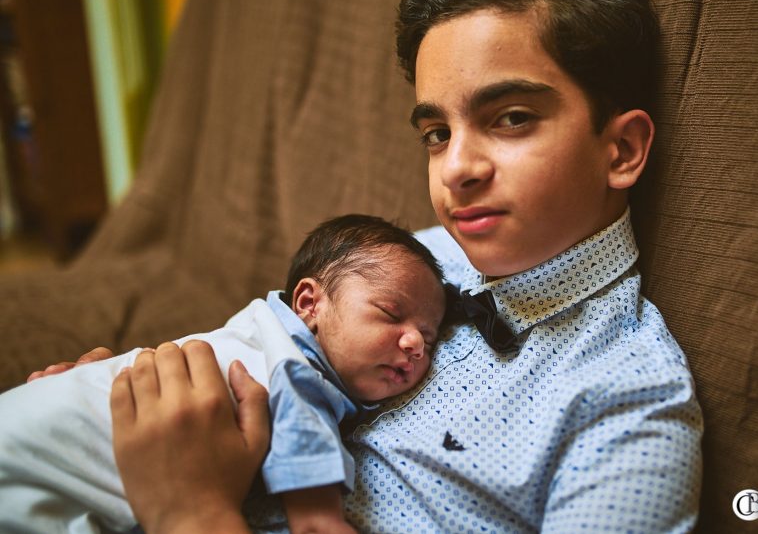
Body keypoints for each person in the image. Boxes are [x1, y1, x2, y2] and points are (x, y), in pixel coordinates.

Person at [38, 0, 704, 533]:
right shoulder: (417, 258)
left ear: (620, 150)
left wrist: (190, 511)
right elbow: (275, 350)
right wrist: (99, 418)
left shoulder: (627, 404)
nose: (457, 170)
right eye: (437, 134)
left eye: (512, 118)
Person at [0, 214, 447, 534]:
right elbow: (315, 520)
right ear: (309, 304)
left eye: (427, 340)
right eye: (391, 314)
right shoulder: (294, 369)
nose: (414, 344)